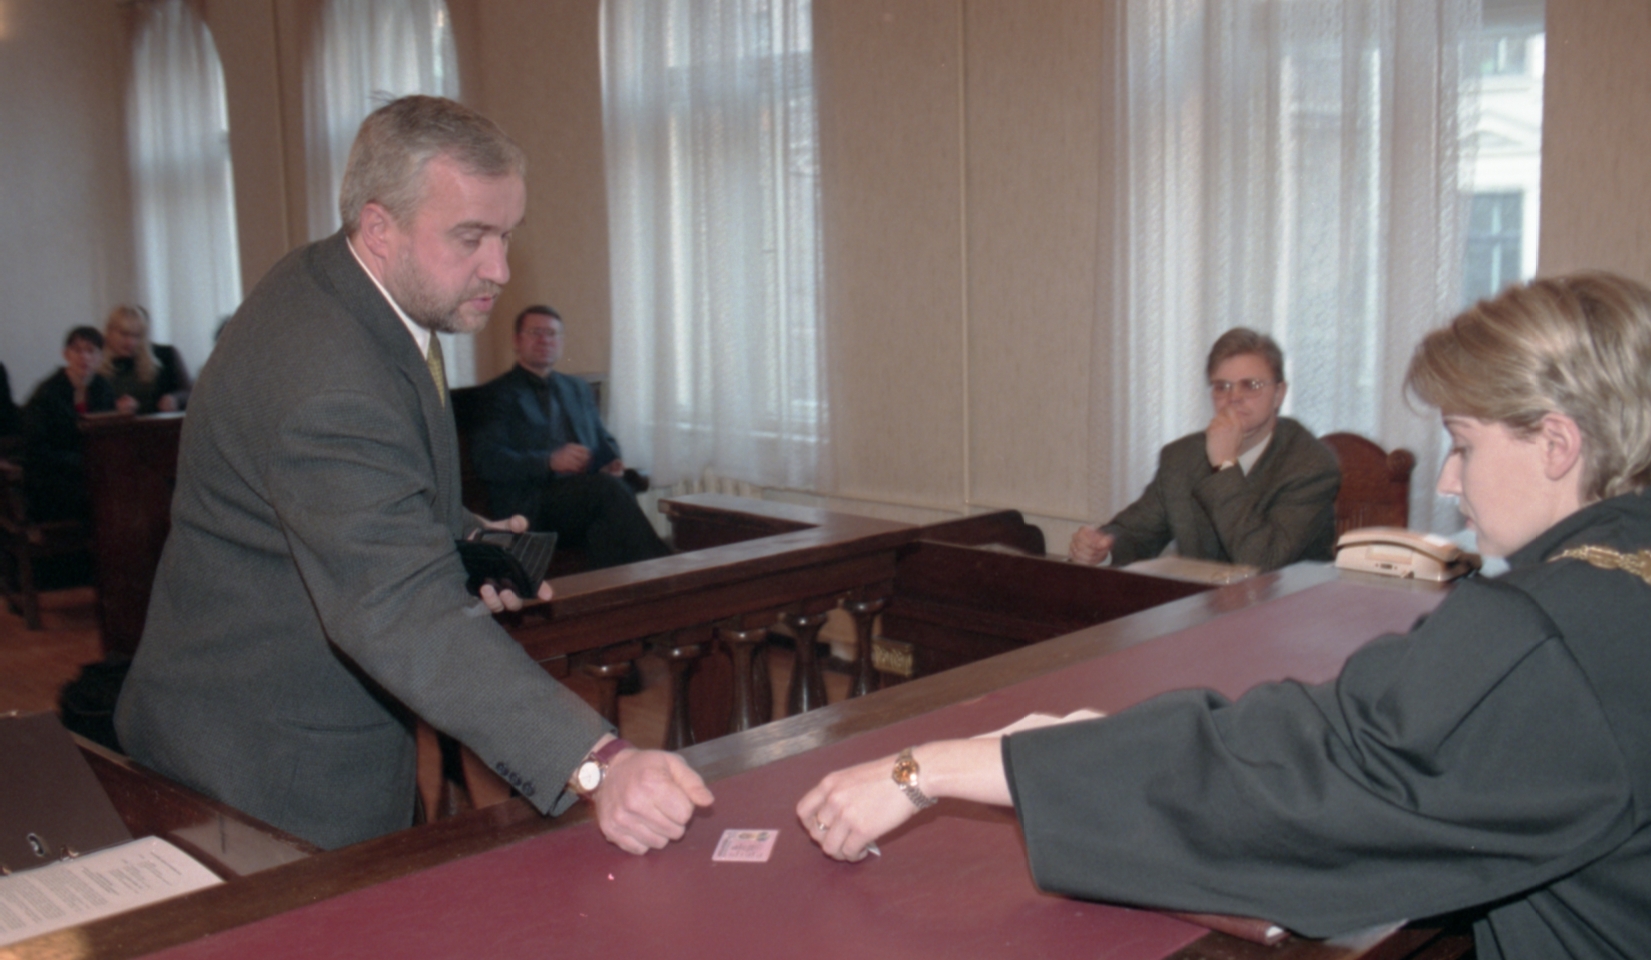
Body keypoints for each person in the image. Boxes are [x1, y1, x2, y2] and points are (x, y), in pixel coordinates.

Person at [798, 272, 1651, 960]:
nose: (1449, 480)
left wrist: (942, 766)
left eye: (1461, 443)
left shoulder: (1543, 631)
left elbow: (1305, 778)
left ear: (1556, 443)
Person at [115, 96, 712, 852]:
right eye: (470, 237)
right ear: (379, 227)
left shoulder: (345, 287)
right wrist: (598, 763)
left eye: (505, 235)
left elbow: (352, 494)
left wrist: (463, 538)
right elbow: (398, 609)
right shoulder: (328, 378)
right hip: (266, 772)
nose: (499, 269)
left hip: (294, 739)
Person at [1069, 328, 1340, 571]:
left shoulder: (1311, 466)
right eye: (1222, 387)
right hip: (1200, 603)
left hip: (1284, 605)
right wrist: (1100, 549)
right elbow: (1136, 532)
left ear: (1279, 393)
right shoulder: (1182, 457)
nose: (1234, 397)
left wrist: (1224, 465)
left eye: (1251, 385)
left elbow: (1261, 561)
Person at [469, 305, 670, 568]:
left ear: (561, 342)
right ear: (517, 341)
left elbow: (604, 441)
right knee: (607, 491)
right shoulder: (496, 394)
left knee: (605, 523)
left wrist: (609, 461)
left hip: (583, 498)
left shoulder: (577, 388)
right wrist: (549, 461)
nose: (544, 340)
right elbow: (488, 460)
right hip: (532, 505)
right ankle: (662, 568)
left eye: (552, 334)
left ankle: (628, 588)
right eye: (535, 332)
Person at [21, 326, 117, 521]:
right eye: (77, 350)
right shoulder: (47, 393)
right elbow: (36, 449)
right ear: (66, 354)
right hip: (54, 477)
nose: (84, 357)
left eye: (91, 351)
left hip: (94, 472)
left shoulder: (103, 388)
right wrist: (82, 462)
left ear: (100, 357)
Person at [101, 304, 192, 413]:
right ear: (109, 332)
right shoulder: (95, 360)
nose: (131, 342)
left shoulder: (165, 355)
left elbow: (191, 393)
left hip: (158, 421)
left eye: (137, 336)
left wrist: (175, 399)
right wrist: (112, 407)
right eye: (124, 334)